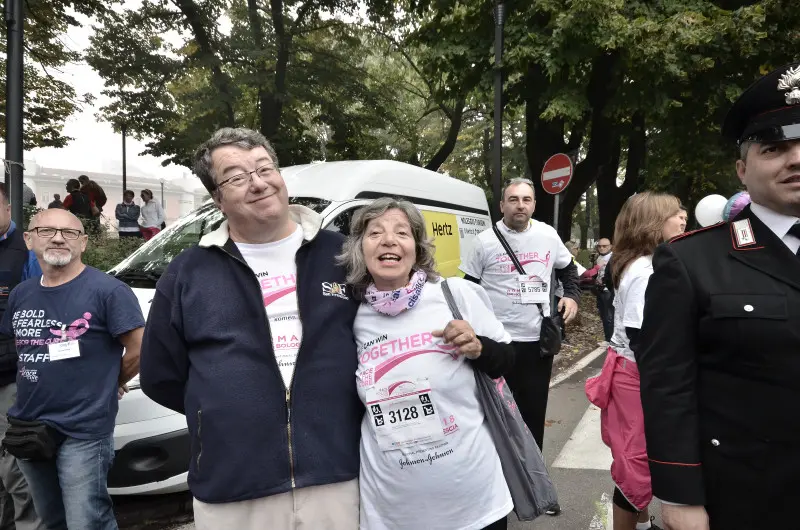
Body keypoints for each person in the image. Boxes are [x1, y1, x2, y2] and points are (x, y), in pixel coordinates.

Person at [139, 127, 363, 530]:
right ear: (217, 198)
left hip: (337, 471)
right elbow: (161, 375)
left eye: (264, 168)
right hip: (233, 485)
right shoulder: (189, 270)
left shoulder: (342, 254)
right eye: (237, 177)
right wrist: (223, 413)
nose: (258, 183)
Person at [637, 62, 800, 530]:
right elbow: (668, 386)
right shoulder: (690, 262)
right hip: (748, 497)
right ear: (742, 170)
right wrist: (679, 495)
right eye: (775, 148)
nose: (794, 159)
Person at [338, 198, 516, 530]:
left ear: (417, 248)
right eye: (375, 232)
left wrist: (478, 347)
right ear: (360, 250)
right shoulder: (351, 315)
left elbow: (508, 361)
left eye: (401, 232)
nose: (389, 240)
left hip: (473, 501)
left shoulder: (455, 295)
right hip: (393, 509)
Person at [0, 208, 144, 530]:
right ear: (28, 239)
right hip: (30, 426)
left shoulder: (108, 291)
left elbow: (140, 348)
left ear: (84, 243)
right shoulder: (21, 294)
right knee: (51, 521)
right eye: (47, 231)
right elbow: (28, 350)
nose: (58, 239)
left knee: (86, 522)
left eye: (69, 233)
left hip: (84, 429)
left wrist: (111, 379)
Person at [460, 178, 579, 516]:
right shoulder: (482, 242)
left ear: (534, 205)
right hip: (496, 346)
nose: (520, 205)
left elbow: (569, 271)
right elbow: (467, 290)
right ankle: (496, 487)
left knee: (531, 416)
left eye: (526, 199)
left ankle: (534, 486)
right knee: (490, 416)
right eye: (513, 199)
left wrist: (570, 296)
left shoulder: (547, 236)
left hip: (535, 345)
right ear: (502, 206)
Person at [585, 192, 685, 530]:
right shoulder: (645, 271)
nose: (683, 216)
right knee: (636, 464)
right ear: (653, 223)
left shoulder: (645, 263)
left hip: (631, 371)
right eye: (675, 212)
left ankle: (642, 524)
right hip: (638, 377)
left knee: (634, 458)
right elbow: (645, 340)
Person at [0, 184, 44, 530]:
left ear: (7, 207)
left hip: (13, 374)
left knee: (15, 464)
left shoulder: (27, 253)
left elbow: (43, 313)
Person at [593, 238, 614, 342]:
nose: (601, 248)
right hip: (599, 290)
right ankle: (607, 338)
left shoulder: (613, 257)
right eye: (599, 246)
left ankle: (610, 340)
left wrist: (606, 282)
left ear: (610, 246)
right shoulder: (598, 257)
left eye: (604, 246)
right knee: (603, 315)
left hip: (608, 290)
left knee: (609, 316)